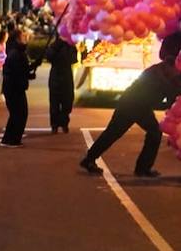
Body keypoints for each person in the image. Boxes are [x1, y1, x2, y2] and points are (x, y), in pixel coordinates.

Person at [80, 33, 181, 177]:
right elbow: (173, 97)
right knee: (151, 132)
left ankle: (89, 159)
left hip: (132, 101)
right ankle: (142, 168)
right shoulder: (170, 74)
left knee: (114, 132)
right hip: (137, 104)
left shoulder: (161, 68)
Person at [0, 27, 35, 148]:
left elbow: (22, 69)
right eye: (22, 36)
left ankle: (8, 139)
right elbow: (18, 71)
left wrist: (31, 69)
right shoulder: (15, 53)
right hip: (14, 88)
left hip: (14, 87)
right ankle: (12, 139)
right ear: (17, 39)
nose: (25, 38)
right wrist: (28, 73)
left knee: (17, 113)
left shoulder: (18, 52)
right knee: (19, 113)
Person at [45, 34, 78, 133]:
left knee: (67, 101)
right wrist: (56, 47)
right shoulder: (54, 46)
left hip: (66, 75)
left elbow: (73, 59)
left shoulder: (70, 46)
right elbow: (49, 57)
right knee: (54, 102)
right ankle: (54, 125)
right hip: (56, 75)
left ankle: (64, 123)